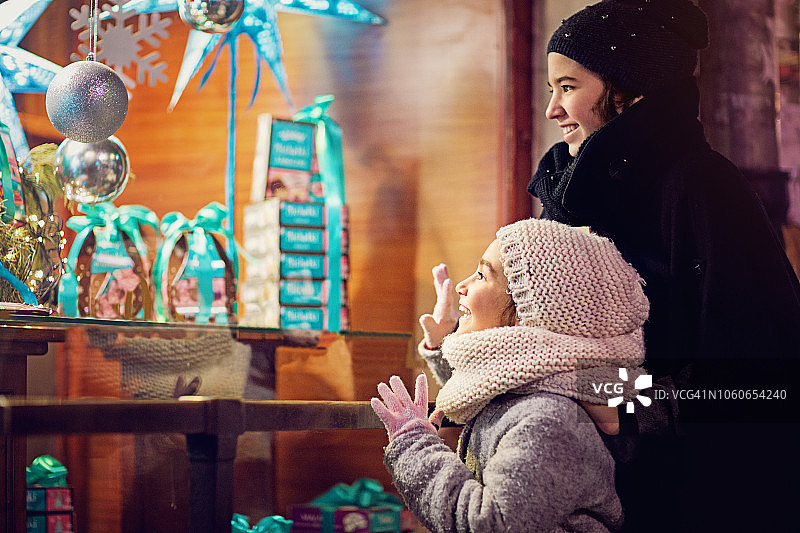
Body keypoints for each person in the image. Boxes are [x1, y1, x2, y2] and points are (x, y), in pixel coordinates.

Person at [525, 0, 800, 531]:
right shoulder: (571, 194)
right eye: (550, 90)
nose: (551, 111)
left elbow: (767, 378)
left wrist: (624, 399)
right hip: (600, 494)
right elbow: (551, 355)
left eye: (568, 87)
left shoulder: (703, 189)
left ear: (630, 93)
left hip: (700, 501)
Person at [372, 218, 650, 533]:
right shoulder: (531, 393)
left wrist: (415, 445)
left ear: (526, 314)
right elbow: (488, 389)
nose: (462, 285)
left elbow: (488, 524)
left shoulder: (548, 421)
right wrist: (444, 344)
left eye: (480, 275)